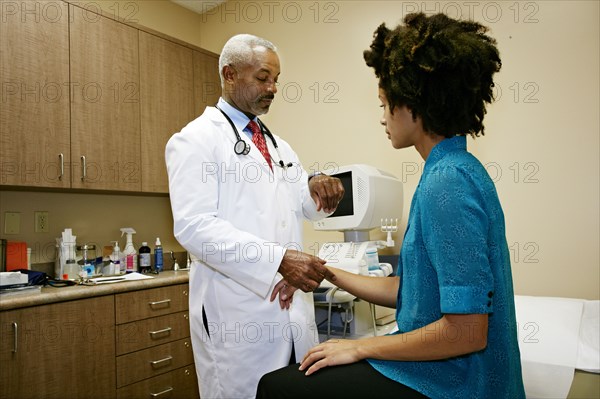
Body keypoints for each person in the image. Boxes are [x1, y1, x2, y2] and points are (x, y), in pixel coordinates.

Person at [256, 13, 525, 399]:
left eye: (385, 103)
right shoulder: (451, 169)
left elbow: (467, 330)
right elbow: (410, 291)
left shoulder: (448, 182)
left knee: (276, 387)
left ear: (414, 101)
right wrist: (327, 271)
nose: (381, 117)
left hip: (453, 382)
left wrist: (359, 346)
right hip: (442, 370)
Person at [165, 34, 344, 398]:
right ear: (230, 75)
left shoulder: (278, 145)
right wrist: (277, 260)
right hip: (237, 314)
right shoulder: (194, 140)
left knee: (291, 390)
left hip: (291, 310)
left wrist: (319, 189)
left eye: (276, 79)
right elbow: (194, 226)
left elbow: (301, 206)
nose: (273, 87)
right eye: (263, 78)